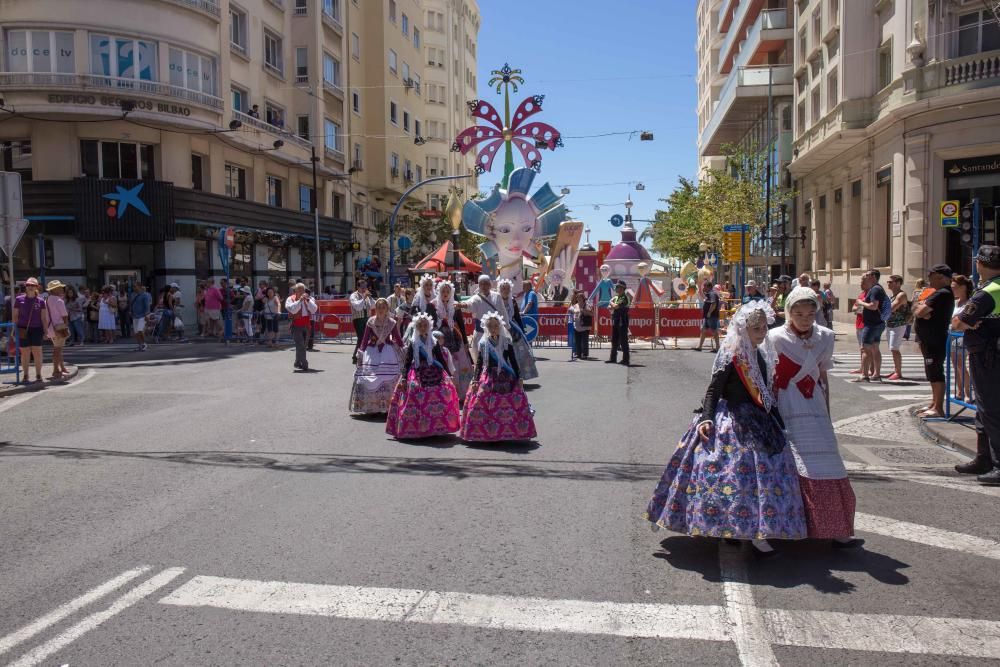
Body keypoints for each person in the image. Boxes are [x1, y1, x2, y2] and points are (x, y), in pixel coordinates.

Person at [645, 301, 807, 558]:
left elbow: (764, 395)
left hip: (759, 421)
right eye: (757, 329)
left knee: (762, 478)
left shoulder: (760, 355)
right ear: (744, 329)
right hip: (731, 419)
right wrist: (706, 419)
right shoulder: (733, 354)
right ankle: (727, 528)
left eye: (764, 327)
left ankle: (758, 531)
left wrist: (780, 423)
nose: (762, 333)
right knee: (728, 476)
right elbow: (713, 389)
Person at [770, 287, 862, 548]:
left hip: (815, 403)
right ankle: (789, 524)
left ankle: (837, 527)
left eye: (810, 313)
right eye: (798, 313)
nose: (804, 319)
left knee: (829, 461)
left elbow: (823, 376)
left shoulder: (826, 337)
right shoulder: (775, 337)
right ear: (788, 312)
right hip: (787, 403)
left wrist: (828, 411)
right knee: (791, 461)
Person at [951, 246, 1000, 483]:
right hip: (991, 356)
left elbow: (958, 323)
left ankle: (997, 464)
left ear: (980, 263)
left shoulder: (987, 293)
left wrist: (967, 323)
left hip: (988, 358)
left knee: (991, 410)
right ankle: (984, 459)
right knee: (984, 408)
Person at [460, 311, 537, 442]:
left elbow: (513, 360)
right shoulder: (484, 344)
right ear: (486, 327)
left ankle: (511, 430)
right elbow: (479, 363)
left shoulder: (506, 342)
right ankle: (484, 431)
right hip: (489, 375)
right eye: (490, 326)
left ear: (500, 327)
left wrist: (519, 377)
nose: (493, 329)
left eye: (496, 326)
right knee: (481, 399)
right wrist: (475, 380)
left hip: (506, 375)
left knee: (513, 399)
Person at [386, 313, 461, 439]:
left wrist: (448, 374)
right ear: (416, 327)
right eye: (420, 325)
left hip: (434, 371)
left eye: (425, 325)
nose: (422, 327)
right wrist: (404, 378)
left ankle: (437, 426)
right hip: (417, 371)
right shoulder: (413, 342)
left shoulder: (434, 341)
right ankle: (416, 427)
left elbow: (441, 360)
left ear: (429, 326)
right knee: (415, 390)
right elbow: (408, 362)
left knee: (443, 390)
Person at [911, 264, 954, 418]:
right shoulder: (935, 293)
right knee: (931, 372)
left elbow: (920, 311)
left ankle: (938, 408)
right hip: (928, 338)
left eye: (931, 277)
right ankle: (934, 403)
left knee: (935, 371)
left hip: (934, 338)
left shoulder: (942, 293)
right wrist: (920, 309)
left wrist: (921, 309)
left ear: (940, 277)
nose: (928, 280)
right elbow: (915, 308)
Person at [350, 297, 403, 414]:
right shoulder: (371, 322)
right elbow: (364, 339)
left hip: (387, 352)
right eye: (378, 307)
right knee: (370, 377)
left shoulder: (392, 322)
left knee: (386, 377)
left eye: (383, 307)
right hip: (372, 351)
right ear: (376, 309)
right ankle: (371, 406)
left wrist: (404, 349)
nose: (380, 309)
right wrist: (361, 352)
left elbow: (398, 338)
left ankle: (388, 405)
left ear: (387, 309)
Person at [432, 280, 475, 401]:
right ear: (439, 292)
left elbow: (461, 325)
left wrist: (465, 342)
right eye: (443, 291)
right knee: (444, 363)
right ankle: (445, 393)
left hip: (455, 338)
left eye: (447, 291)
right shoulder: (433, 305)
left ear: (451, 293)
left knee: (460, 364)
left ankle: (461, 393)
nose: (445, 293)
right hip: (440, 339)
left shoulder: (455, 305)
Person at [498, 278, 539, 381]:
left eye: (507, 288)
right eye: (503, 288)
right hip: (499, 328)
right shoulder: (496, 300)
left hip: (513, 330)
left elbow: (516, 316)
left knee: (518, 353)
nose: (505, 290)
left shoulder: (513, 301)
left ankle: (518, 375)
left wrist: (522, 331)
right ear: (499, 289)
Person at [853, 270, 888, 383]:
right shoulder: (878, 288)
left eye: (867, 275)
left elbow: (873, 306)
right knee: (875, 348)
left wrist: (860, 302)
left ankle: (864, 375)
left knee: (865, 349)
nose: (865, 277)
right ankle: (876, 374)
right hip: (878, 323)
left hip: (872, 324)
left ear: (873, 276)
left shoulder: (875, 289)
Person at [13, 277, 50, 383]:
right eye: (28, 285)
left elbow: (43, 318)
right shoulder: (19, 299)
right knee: (25, 353)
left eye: (32, 285)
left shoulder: (41, 301)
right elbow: (15, 315)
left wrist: (46, 331)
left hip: (37, 329)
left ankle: (38, 374)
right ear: (26, 286)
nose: (30, 287)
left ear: (37, 287)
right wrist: (14, 330)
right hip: (22, 328)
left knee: (37, 352)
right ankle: (25, 375)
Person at [466, 275, 507, 362]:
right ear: (479, 285)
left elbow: (503, 313)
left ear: (490, 285)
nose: (484, 286)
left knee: (497, 358)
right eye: (481, 284)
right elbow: (469, 304)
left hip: (496, 333)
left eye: (486, 284)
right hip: (480, 334)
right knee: (480, 359)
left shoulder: (497, 297)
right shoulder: (476, 298)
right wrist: (463, 305)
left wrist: (507, 329)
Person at [949, 274, 975, 403]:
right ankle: (959, 391)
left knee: (960, 364)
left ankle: (968, 393)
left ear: (963, 287)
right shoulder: (956, 302)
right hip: (953, 335)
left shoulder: (969, 303)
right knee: (955, 364)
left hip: (963, 335)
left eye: (954, 287)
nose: (952, 289)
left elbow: (965, 321)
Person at [884, 275, 911, 381]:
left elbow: (891, 308)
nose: (888, 284)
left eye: (891, 282)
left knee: (894, 348)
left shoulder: (901, 295)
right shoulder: (892, 295)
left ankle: (898, 372)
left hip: (898, 325)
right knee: (893, 348)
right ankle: (896, 370)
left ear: (898, 283)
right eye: (888, 282)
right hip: (890, 324)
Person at [285, 282, 317, 371]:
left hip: (307, 325)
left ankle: (297, 362)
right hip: (296, 324)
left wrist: (308, 301)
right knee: (300, 345)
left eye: (302, 289)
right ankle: (304, 363)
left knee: (303, 345)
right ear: (295, 290)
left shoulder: (309, 298)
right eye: (299, 290)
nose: (301, 291)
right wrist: (299, 301)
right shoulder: (290, 299)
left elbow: (314, 310)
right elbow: (293, 310)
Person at [45, 280, 70, 380]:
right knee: (57, 350)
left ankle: (62, 368)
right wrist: (66, 326)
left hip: (51, 328)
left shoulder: (46, 300)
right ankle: (56, 370)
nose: (61, 289)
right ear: (54, 290)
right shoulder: (59, 300)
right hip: (59, 328)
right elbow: (64, 316)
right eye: (59, 287)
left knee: (58, 349)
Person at [606, 281, 631, 366]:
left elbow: (615, 306)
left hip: (622, 320)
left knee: (624, 341)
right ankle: (613, 358)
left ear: (623, 288)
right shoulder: (616, 297)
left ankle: (625, 360)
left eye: (619, 287)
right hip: (616, 319)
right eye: (617, 287)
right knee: (614, 340)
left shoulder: (625, 297)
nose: (617, 289)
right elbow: (609, 307)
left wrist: (610, 302)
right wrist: (611, 304)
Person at [349, 281, 375, 364]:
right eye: (363, 287)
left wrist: (370, 298)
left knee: (367, 337)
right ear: (358, 287)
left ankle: (361, 355)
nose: (364, 289)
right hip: (358, 319)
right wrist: (364, 298)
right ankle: (355, 356)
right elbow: (357, 307)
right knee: (361, 338)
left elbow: (373, 306)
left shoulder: (367, 296)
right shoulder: (353, 295)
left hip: (367, 318)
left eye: (365, 287)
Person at [694, 281, 721, 352]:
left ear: (708, 287)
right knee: (703, 330)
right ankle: (699, 346)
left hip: (712, 316)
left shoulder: (712, 294)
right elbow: (704, 297)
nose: (704, 288)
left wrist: (709, 312)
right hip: (707, 317)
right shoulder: (709, 294)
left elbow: (714, 304)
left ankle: (718, 347)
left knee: (714, 331)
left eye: (704, 286)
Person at [568, 292, 593, 360]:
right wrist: (568, 317)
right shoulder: (575, 306)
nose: (578, 299)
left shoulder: (587, 305)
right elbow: (569, 310)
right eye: (577, 297)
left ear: (583, 298)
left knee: (584, 341)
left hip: (585, 327)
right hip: (577, 326)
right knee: (577, 341)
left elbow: (591, 314)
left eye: (580, 297)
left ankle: (585, 354)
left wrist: (584, 311)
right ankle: (578, 354)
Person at [130, 283, 152, 352]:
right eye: (133, 287)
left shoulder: (144, 295)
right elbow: (131, 304)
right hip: (135, 315)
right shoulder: (133, 295)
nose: (134, 288)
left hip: (142, 316)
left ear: (139, 287)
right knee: (136, 332)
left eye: (135, 286)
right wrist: (131, 311)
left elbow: (147, 306)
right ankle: (139, 345)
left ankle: (144, 344)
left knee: (140, 330)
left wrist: (146, 315)